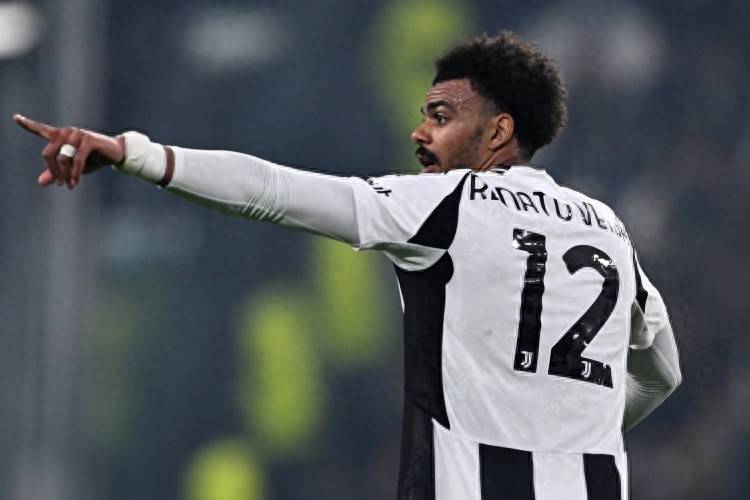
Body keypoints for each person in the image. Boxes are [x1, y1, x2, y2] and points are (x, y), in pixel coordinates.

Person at [15, 31, 681, 500]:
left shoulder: (448, 205)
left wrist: (134, 154)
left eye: (441, 116)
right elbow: (664, 371)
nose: (420, 132)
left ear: (498, 132)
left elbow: (273, 192)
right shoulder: (606, 226)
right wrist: (578, 426)